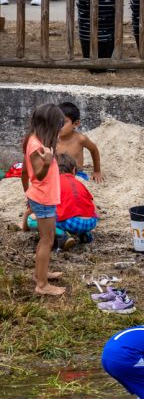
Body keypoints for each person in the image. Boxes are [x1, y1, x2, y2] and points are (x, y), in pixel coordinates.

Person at [20, 102, 65, 296]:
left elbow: (24, 172)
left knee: (45, 239)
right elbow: (38, 175)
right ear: (49, 124)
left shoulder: (33, 139)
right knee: (48, 240)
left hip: (43, 197)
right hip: (44, 199)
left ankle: (41, 273)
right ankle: (42, 285)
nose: (59, 129)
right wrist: (47, 163)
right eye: (58, 126)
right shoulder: (37, 146)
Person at [54, 153, 98, 244]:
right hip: (91, 222)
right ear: (74, 170)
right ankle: (85, 234)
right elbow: (96, 209)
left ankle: (63, 236)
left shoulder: (55, 183)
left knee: (35, 221)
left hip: (73, 222)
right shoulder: (80, 183)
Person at [56, 102, 103, 183]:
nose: (59, 125)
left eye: (64, 122)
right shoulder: (52, 138)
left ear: (76, 123)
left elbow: (94, 150)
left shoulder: (80, 139)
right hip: (56, 173)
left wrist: (97, 171)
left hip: (77, 174)